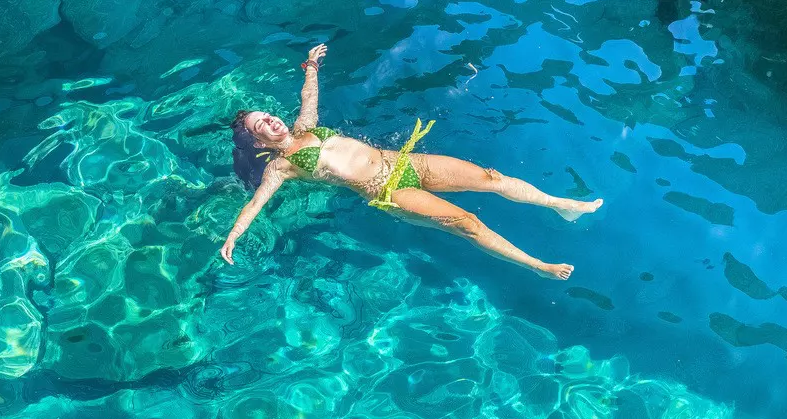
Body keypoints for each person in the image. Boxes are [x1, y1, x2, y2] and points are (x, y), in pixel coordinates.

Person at [221, 44, 602, 279]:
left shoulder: (306, 126)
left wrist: (311, 66)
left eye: (266, 114)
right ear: (258, 139)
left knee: (490, 177)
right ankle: (537, 266)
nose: (270, 119)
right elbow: (257, 203)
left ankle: (563, 206)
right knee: (467, 222)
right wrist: (233, 237)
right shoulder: (281, 166)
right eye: (261, 124)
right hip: (389, 190)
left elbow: (309, 95)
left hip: (405, 161)